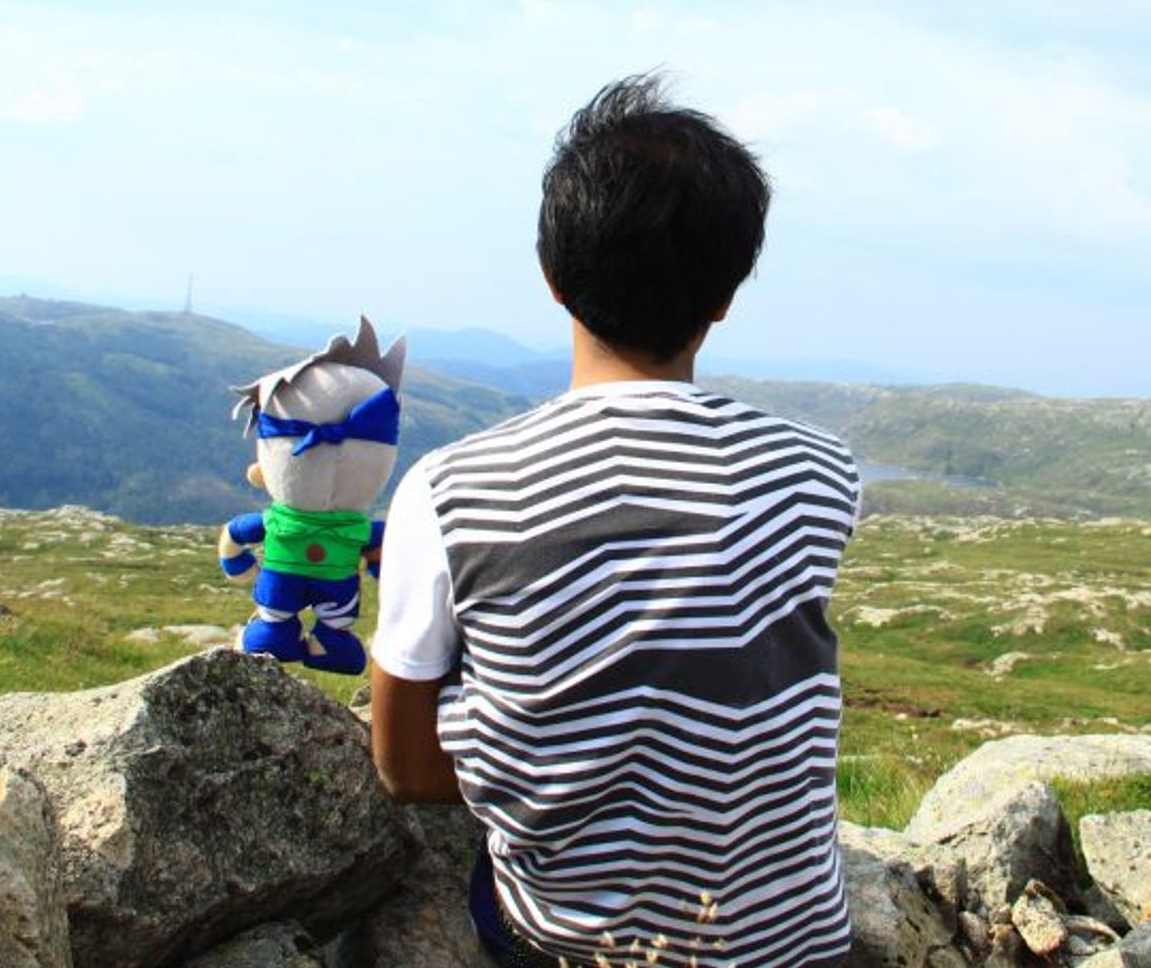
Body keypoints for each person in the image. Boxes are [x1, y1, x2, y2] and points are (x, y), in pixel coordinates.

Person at [369, 75, 861, 968]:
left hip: (570, 948)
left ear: (553, 276)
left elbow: (402, 767)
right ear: (727, 293)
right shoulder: (820, 470)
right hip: (797, 948)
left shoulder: (448, 489)